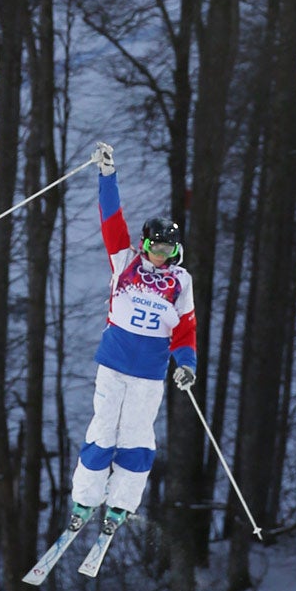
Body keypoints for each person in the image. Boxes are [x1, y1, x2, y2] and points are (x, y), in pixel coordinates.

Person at [68, 142, 197, 543]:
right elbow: (111, 219)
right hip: (114, 363)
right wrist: (107, 176)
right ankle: (85, 500)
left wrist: (186, 364)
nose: (161, 255)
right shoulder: (124, 262)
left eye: (168, 248)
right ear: (145, 244)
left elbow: (185, 330)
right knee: (103, 432)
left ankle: (122, 502)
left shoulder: (181, 282)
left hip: (149, 373)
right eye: (156, 247)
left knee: (137, 437)